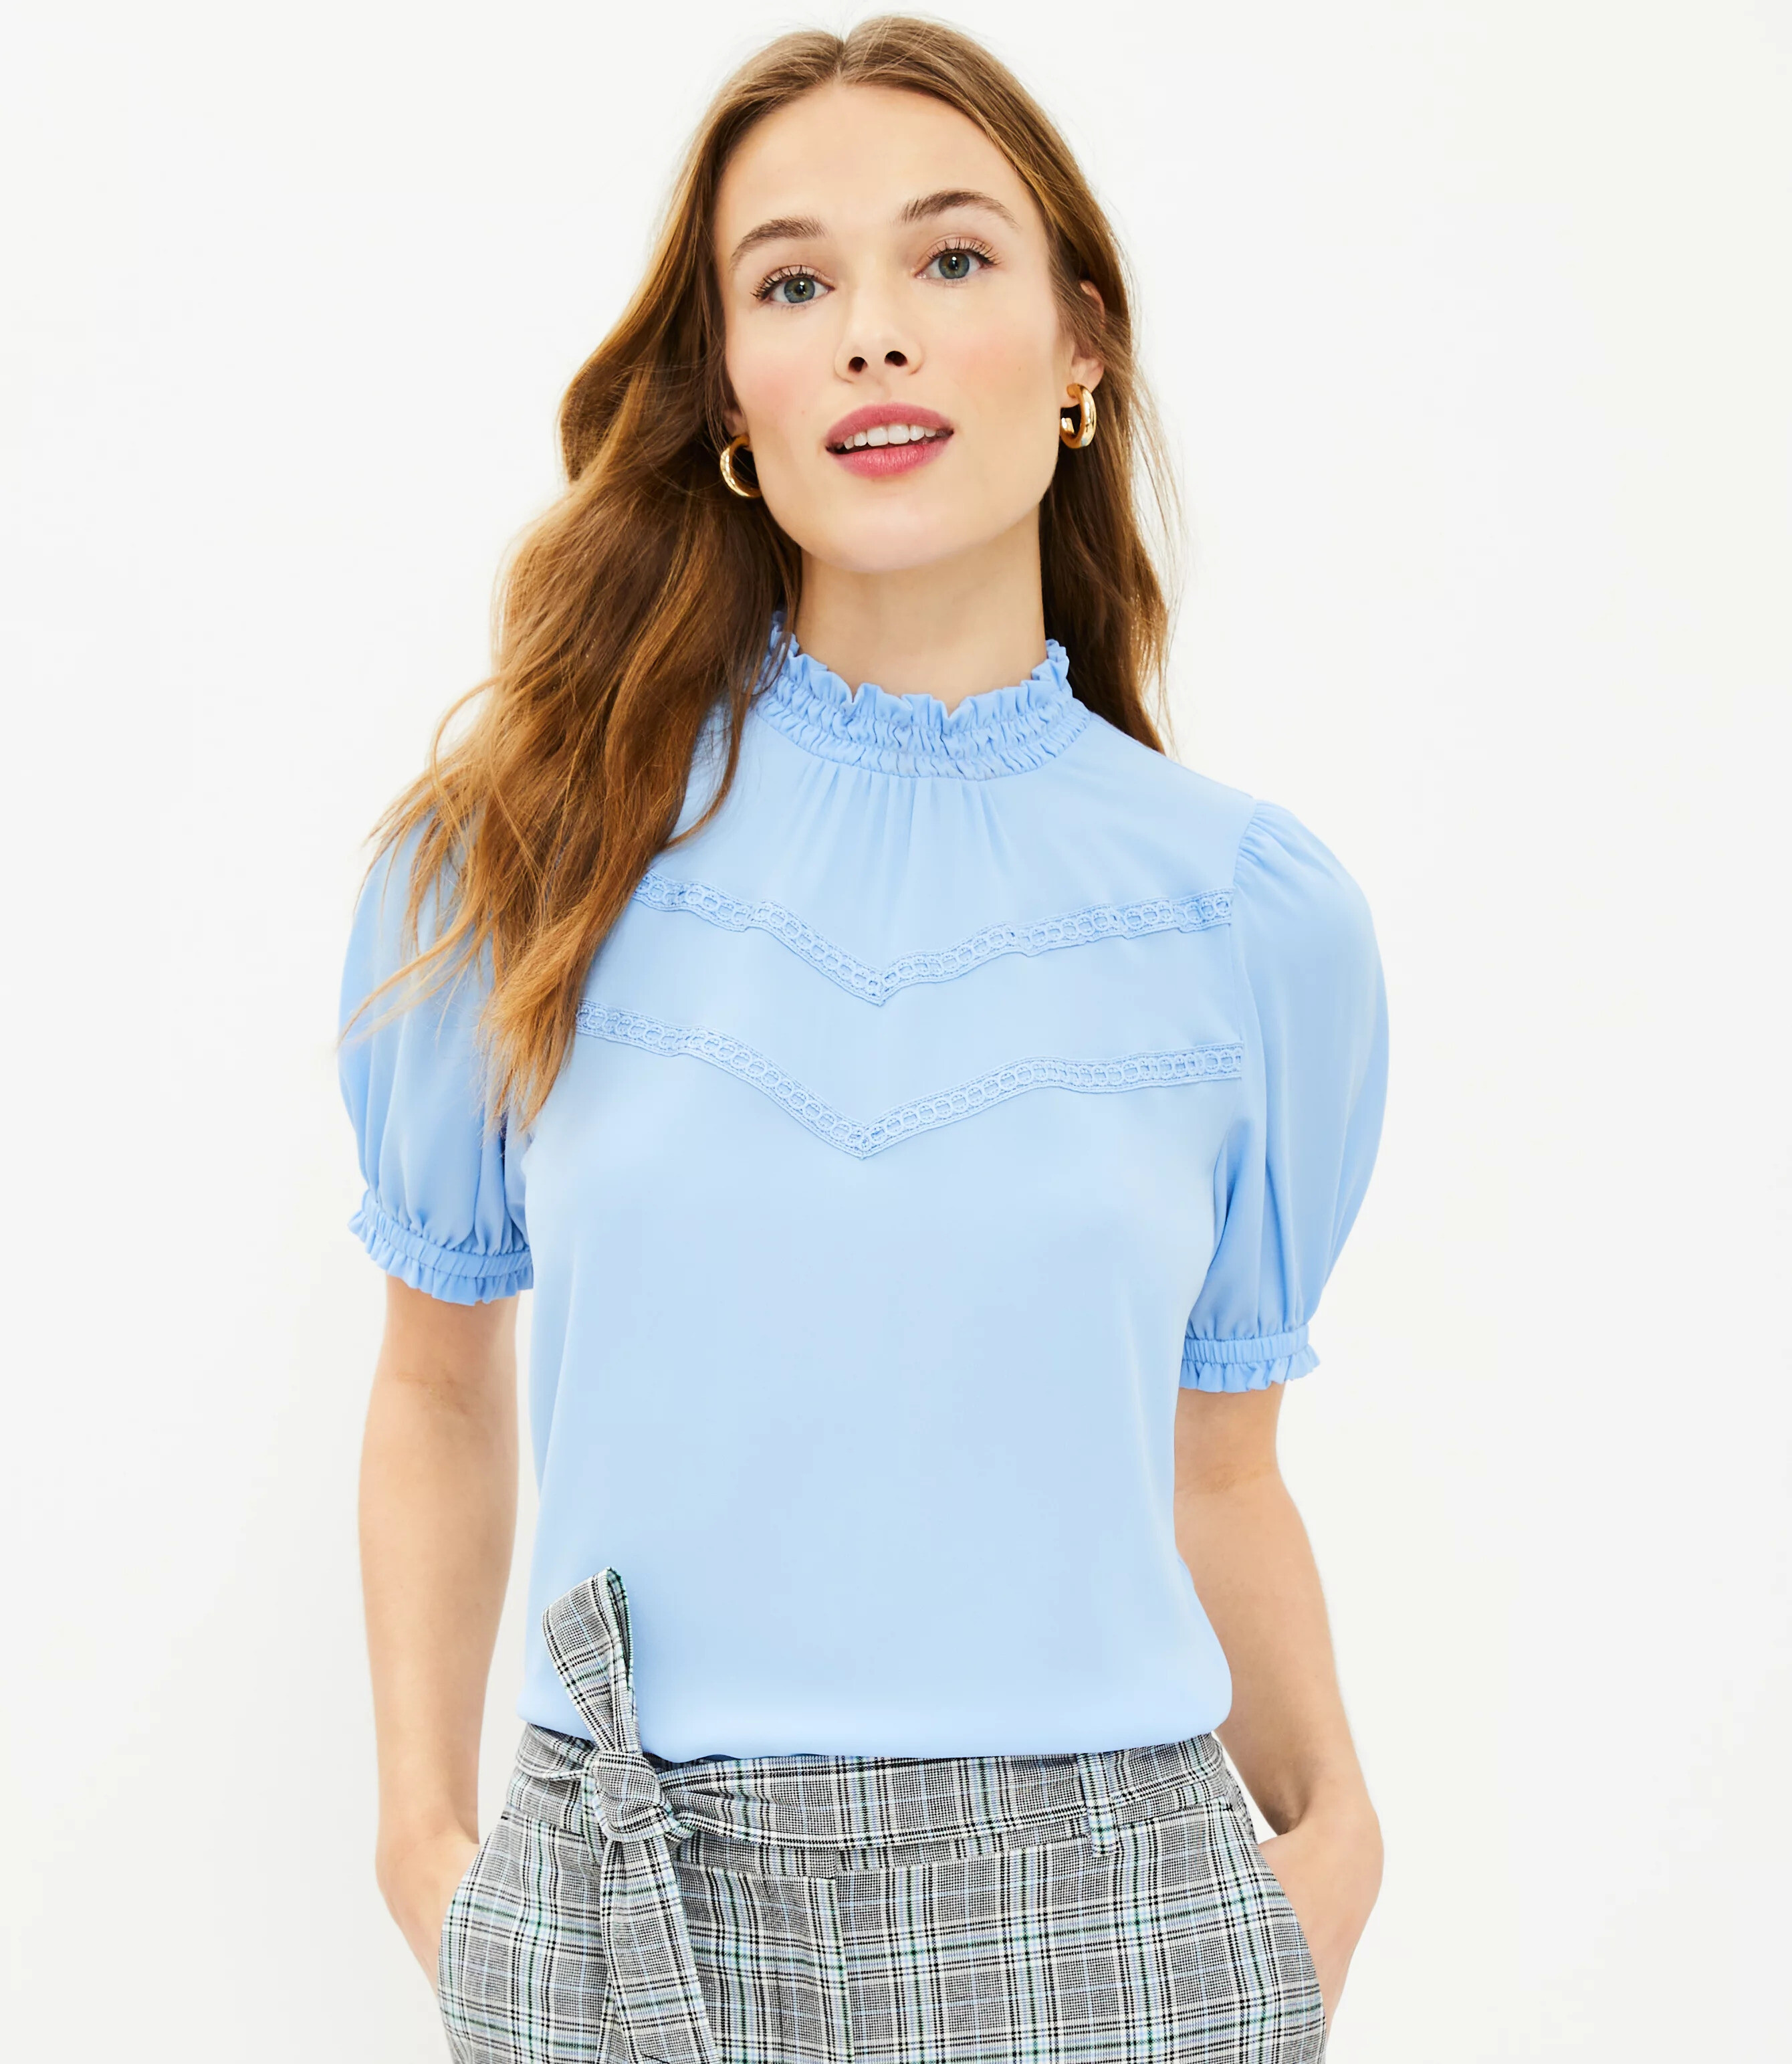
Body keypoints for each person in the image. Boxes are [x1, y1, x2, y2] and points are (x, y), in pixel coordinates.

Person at [338, 17, 1389, 2061]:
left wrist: (1334, 1828)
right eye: (795, 283)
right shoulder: (519, 862)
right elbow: (436, 1383)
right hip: (631, 1905)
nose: (873, 333)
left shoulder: (1252, 918)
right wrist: (426, 1849)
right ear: (730, 391)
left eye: (952, 258)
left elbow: (1222, 1465)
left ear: (1082, 348)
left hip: (1117, 1930)